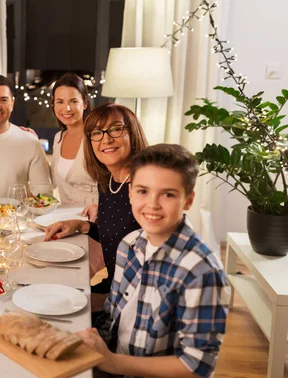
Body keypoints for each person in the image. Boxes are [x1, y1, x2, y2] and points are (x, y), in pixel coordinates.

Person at [76, 144, 230, 378]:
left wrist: (112, 363)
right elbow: (112, 315)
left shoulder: (202, 271)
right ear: (130, 193)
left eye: (168, 194)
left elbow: (196, 366)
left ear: (188, 200)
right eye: (142, 191)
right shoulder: (129, 245)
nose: (152, 204)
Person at [44, 103, 148, 307]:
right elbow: (117, 236)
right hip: (113, 285)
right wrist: (82, 226)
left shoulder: (144, 188)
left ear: (133, 133)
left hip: (132, 299)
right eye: (97, 133)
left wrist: (101, 302)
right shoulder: (108, 182)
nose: (106, 139)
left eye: (116, 129)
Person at [50, 73, 104, 277]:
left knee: (74, 280)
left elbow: (113, 180)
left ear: (85, 103)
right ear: (54, 106)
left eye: (74, 101)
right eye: (60, 102)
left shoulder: (96, 136)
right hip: (65, 223)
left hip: (94, 227)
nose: (67, 108)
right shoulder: (58, 138)